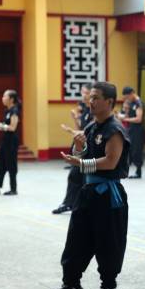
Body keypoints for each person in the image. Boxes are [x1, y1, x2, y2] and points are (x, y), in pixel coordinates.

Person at [47, 82, 130, 289]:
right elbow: (83, 155)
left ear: (109, 102)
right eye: (90, 98)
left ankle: (107, 286)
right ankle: (71, 281)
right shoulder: (91, 126)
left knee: (108, 241)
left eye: (95, 98)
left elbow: (111, 162)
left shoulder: (115, 130)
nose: (90, 102)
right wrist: (78, 148)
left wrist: (81, 163)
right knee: (76, 237)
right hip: (88, 191)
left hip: (108, 194)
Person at [52, 83, 93, 214]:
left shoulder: (94, 111)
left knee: (82, 178)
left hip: (90, 151)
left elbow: (87, 132)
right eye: (82, 92)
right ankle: (70, 203)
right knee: (75, 176)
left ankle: (78, 204)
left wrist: (71, 131)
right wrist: (75, 119)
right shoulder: (86, 110)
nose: (83, 95)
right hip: (82, 149)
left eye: (85, 92)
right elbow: (81, 128)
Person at [0, 89, 21, 196]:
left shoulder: (14, 111)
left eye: (5, 96)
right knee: (1, 164)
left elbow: (13, 127)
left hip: (12, 141)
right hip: (5, 140)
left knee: (11, 164)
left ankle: (13, 189)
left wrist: (1, 126)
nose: (2, 98)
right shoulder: (7, 111)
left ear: (11, 99)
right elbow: (6, 126)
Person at [117, 86, 144, 178]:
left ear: (132, 93)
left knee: (136, 150)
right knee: (128, 149)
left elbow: (139, 119)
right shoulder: (131, 103)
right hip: (130, 129)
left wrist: (126, 119)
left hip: (137, 130)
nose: (127, 99)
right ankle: (126, 170)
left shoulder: (138, 103)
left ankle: (138, 171)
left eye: (128, 97)